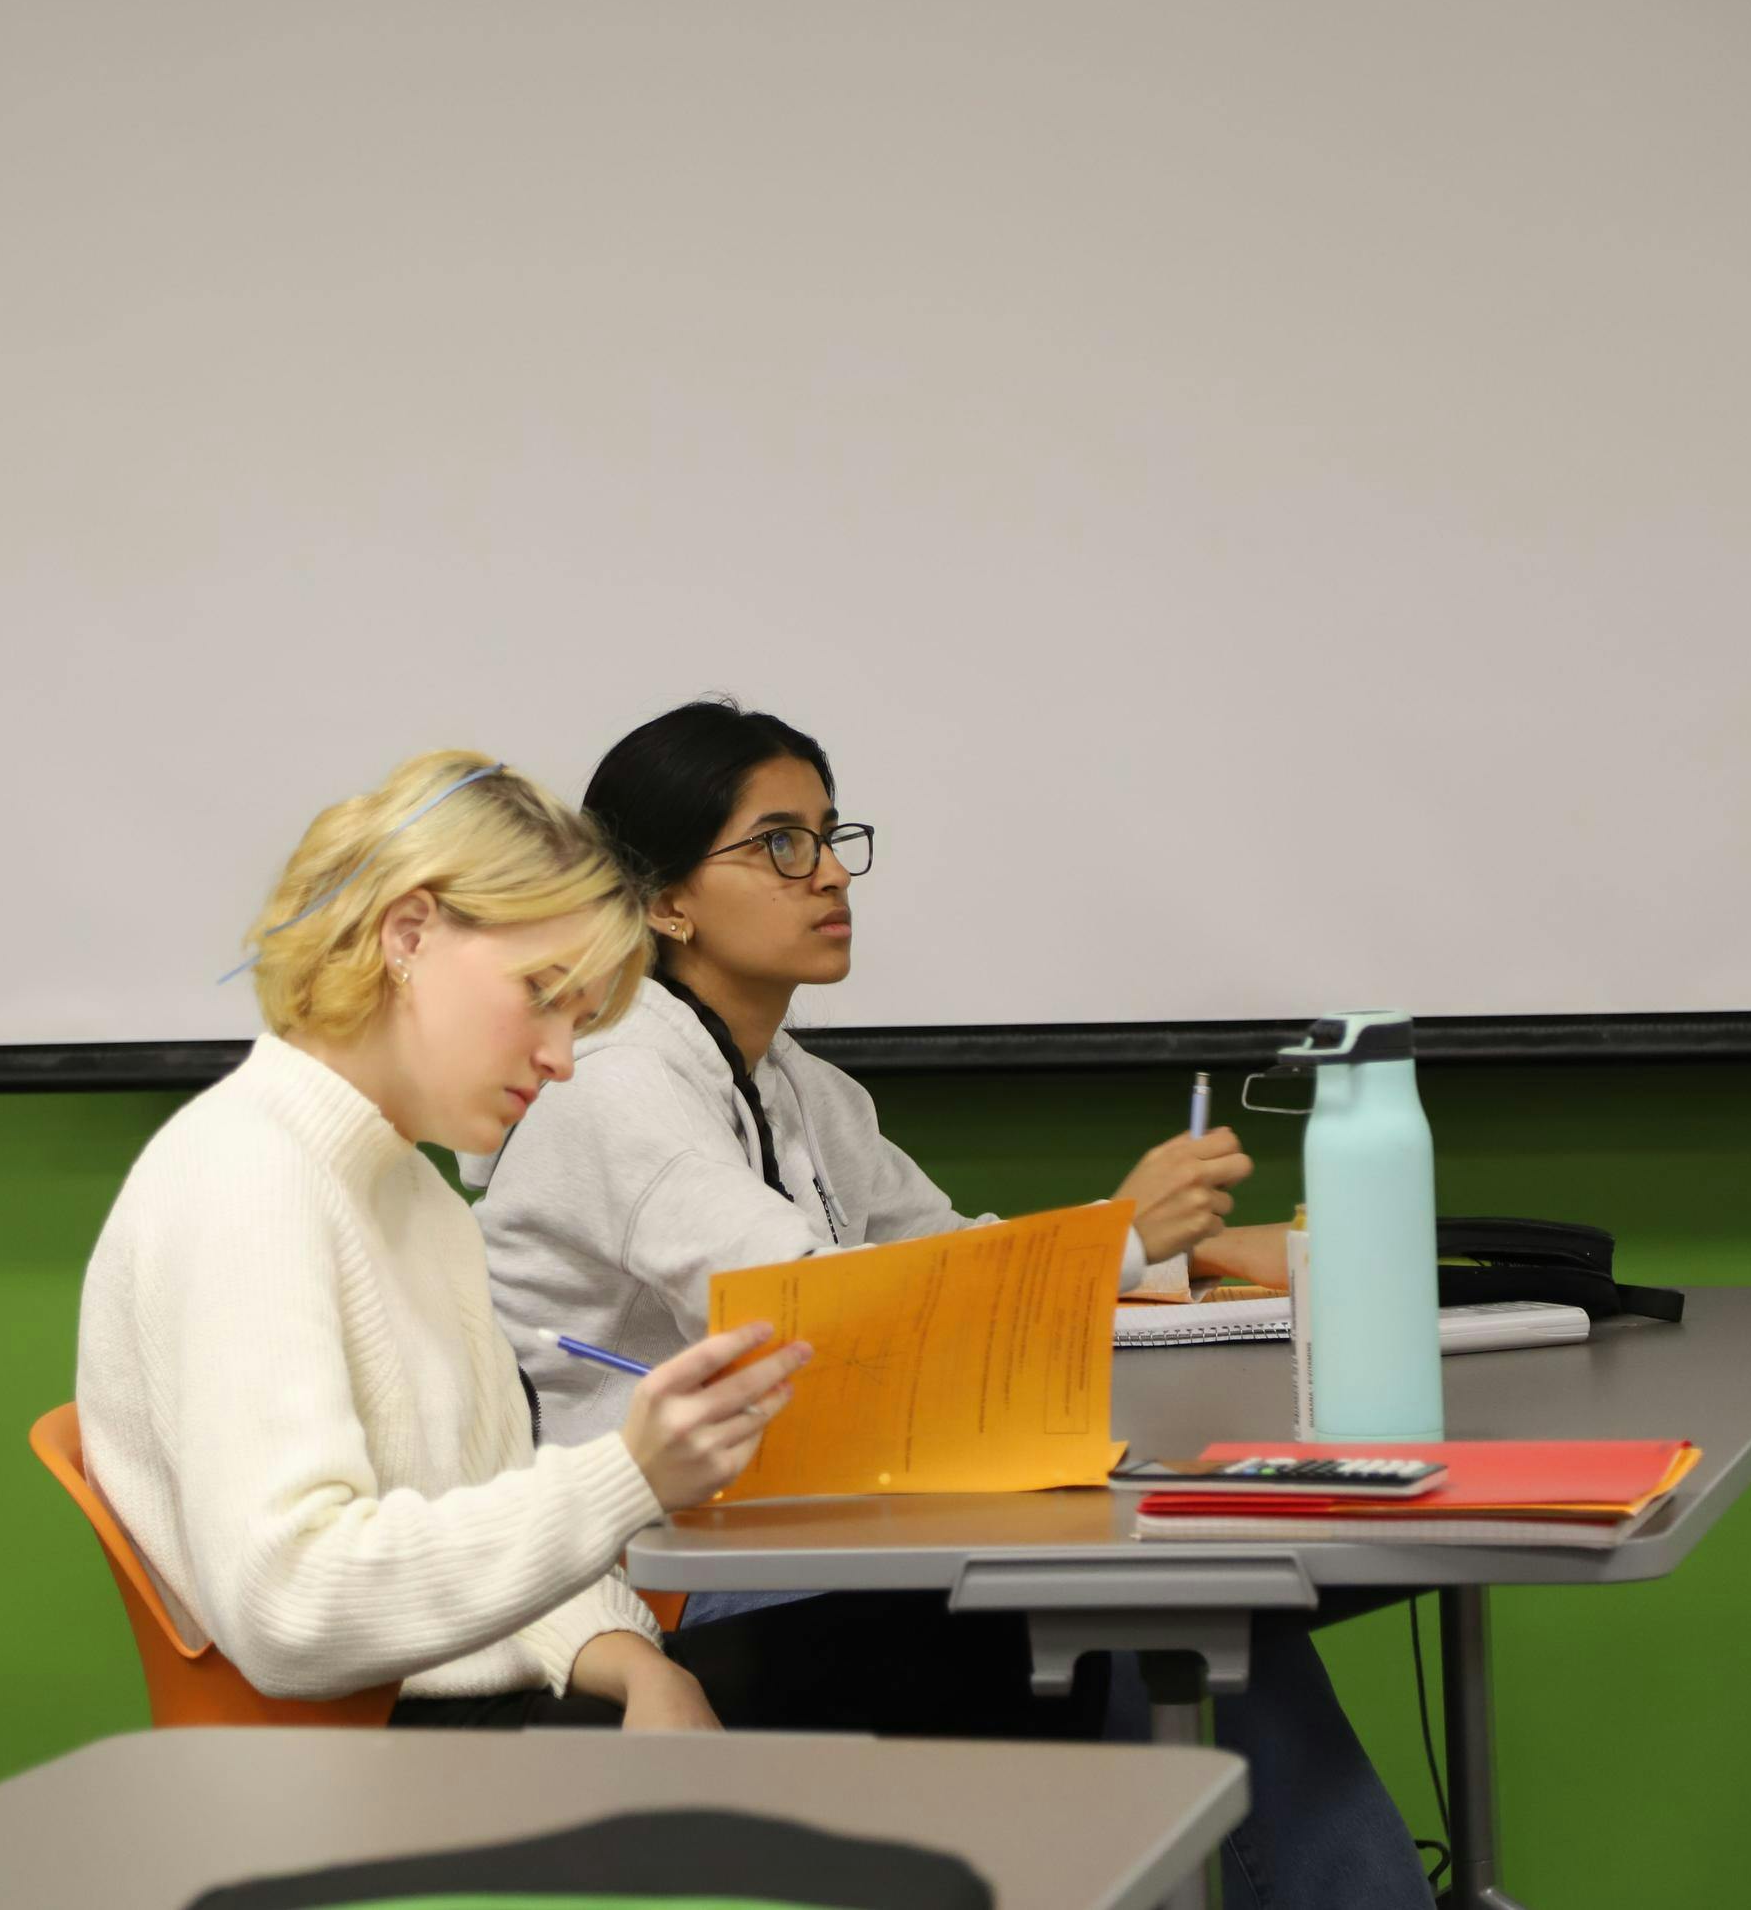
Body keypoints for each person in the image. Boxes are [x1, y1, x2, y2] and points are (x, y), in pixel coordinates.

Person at [468, 703, 1434, 1907]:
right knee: (1169, 1620)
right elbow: (823, 1309)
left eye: (829, 836)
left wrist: (1201, 1254)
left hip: (807, 1517)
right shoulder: (618, 1086)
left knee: (1199, 1618)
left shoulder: (795, 1083)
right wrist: (1118, 1237)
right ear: (664, 900)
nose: (827, 874)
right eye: (778, 845)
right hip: (662, 1573)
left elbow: (951, 1252)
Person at [76, 750, 808, 1730]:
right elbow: (292, 1609)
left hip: (458, 1721)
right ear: (408, 934)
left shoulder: (415, 1200)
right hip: (360, 1762)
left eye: (581, 1017)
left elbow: (497, 1528)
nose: (559, 1058)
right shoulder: (243, 1178)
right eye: (541, 991)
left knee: (914, 1663)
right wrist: (624, 1475)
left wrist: (643, 1671)